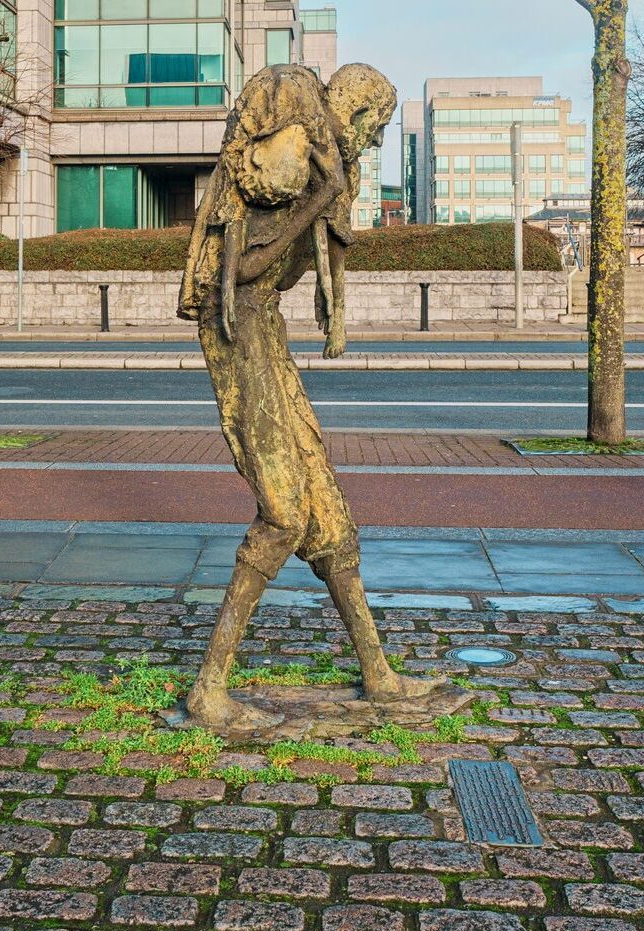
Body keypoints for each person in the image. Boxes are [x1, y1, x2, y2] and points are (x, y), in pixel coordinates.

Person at [177, 63, 443, 733]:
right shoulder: (292, 149)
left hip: (265, 326)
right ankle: (209, 689)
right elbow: (241, 268)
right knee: (286, 511)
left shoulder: (325, 164)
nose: (374, 138)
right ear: (349, 114)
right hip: (237, 323)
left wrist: (329, 195)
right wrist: (318, 200)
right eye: (373, 125)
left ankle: (379, 674)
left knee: (329, 514)